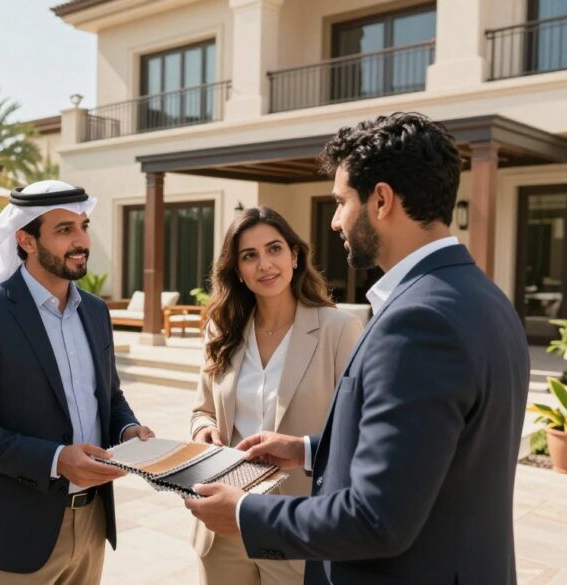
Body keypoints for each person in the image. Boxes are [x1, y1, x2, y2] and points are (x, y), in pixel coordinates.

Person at [185, 112, 530, 585]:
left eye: (342, 202)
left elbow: (377, 517)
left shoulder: (417, 321)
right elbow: (423, 454)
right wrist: (308, 450)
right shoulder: (483, 297)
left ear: (382, 200)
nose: (334, 221)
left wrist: (246, 513)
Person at [0, 180, 154, 585]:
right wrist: (57, 459)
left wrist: (128, 429)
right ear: (25, 239)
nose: (81, 241)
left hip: (91, 524)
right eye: (64, 230)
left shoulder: (95, 311)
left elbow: (110, 398)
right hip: (14, 535)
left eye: (84, 226)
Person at [190, 206, 362, 585]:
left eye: (274, 249)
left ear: (295, 256)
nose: (264, 264)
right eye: (249, 256)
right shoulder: (222, 329)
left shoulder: (339, 330)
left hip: (295, 527)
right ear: (237, 269)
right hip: (223, 525)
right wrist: (204, 431)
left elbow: (355, 434)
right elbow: (202, 410)